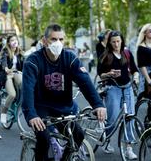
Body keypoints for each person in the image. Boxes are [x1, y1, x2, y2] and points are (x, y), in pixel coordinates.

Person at [22, 24, 106, 161]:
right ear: (44, 41)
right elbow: (28, 90)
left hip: (63, 107)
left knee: (78, 135)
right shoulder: (33, 62)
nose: (58, 43)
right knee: (44, 139)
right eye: (53, 39)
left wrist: (98, 104)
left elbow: (85, 82)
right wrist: (31, 114)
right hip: (42, 108)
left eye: (61, 39)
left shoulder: (70, 58)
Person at [98, 30, 139, 159]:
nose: (116, 44)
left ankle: (128, 148)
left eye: (118, 41)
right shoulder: (106, 56)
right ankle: (107, 141)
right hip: (113, 88)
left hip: (127, 88)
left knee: (130, 116)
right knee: (113, 118)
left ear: (122, 41)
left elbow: (135, 70)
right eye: (113, 42)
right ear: (109, 43)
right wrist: (109, 74)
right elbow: (101, 74)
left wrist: (136, 77)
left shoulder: (127, 53)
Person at [136, 23, 151, 126]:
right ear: (145, 33)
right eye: (150, 31)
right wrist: (148, 80)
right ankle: (150, 122)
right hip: (148, 76)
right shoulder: (141, 48)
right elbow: (142, 66)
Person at [0, 34, 24, 124]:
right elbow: (4, 62)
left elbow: (25, 65)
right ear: (9, 43)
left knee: (23, 82)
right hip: (8, 75)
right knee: (12, 94)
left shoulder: (20, 52)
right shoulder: (5, 52)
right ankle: (4, 113)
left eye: (15, 40)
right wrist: (6, 68)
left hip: (17, 73)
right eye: (12, 40)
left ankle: (21, 102)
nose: (14, 42)